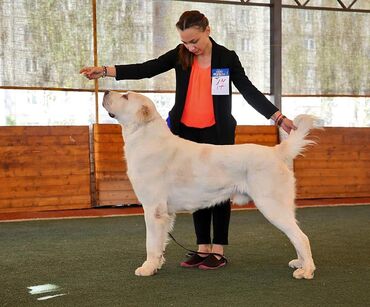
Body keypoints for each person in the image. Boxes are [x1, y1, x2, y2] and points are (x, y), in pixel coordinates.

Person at [80, 10, 296, 270]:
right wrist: (105, 71)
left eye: (194, 40)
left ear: (207, 30)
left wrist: (277, 117)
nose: (190, 46)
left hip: (218, 132)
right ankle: (202, 247)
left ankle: (218, 249)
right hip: (186, 131)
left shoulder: (227, 58)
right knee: (197, 191)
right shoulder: (180, 55)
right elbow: (147, 68)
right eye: (185, 41)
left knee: (222, 190)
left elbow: (248, 90)